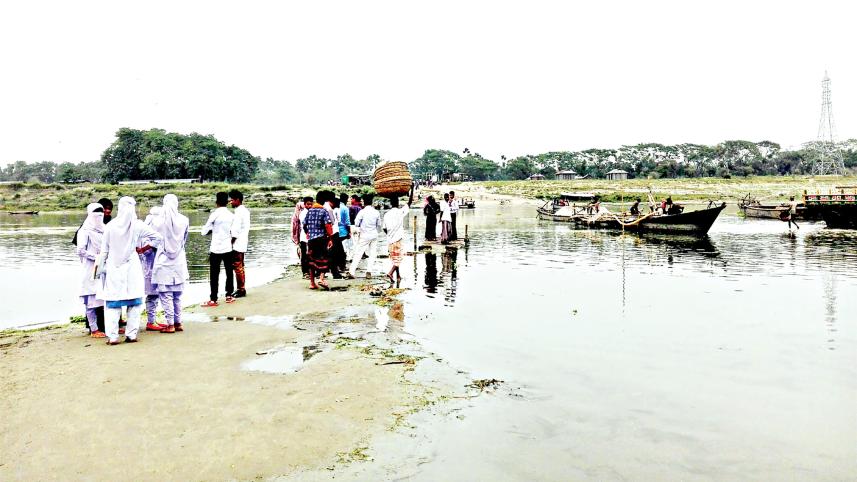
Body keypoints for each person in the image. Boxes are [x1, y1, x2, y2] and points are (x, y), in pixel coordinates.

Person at [97, 197, 162, 345]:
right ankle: (131, 335)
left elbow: (104, 251)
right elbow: (158, 237)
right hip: (132, 265)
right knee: (135, 302)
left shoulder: (110, 226)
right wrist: (143, 249)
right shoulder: (138, 225)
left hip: (114, 266)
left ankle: (113, 337)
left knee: (113, 303)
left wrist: (100, 270)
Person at [151, 194, 190, 333]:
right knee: (177, 295)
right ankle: (178, 322)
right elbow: (184, 239)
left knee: (165, 295)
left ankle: (170, 324)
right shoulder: (184, 220)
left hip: (163, 261)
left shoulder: (157, 221)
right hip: (179, 260)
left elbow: (154, 241)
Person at [76, 203, 107, 338]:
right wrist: (96, 257)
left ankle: (105, 326)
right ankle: (93, 329)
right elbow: (81, 250)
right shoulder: (84, 231)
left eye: (101, 214)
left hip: (103, 267)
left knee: (103, 297)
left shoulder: (105, 229)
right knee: (91, 298)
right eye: (96, 213)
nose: (98, 217)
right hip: (91, 267)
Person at [201, 192, 235, 306]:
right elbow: (234, 232)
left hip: (215, 248)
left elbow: (204, 232)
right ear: (227, 202)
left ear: (216, 203)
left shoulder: (214, 215)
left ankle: (213, 299)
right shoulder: (231, 215)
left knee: (214, 274)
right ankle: (229, 295)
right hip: (228, 247)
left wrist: (212, 230)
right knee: (229, 272)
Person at [141, 206, 166, 332]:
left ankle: (153, 319)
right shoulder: (146, 232)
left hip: (156, 267)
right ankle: (151, 321)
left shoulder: (151, 229)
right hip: (149, 267)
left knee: (155, 295)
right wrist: (153, 247)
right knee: (152, 295)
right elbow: (145, 251)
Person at [303, 192, 334, 290]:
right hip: (321, 238)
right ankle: (321, 278)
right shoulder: (323, 211)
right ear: (324, 201)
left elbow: (304, 224)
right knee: (324, 258)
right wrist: (330, 238)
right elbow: (328, 225)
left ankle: (312, 283)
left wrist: (307, 232)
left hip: (311, 239)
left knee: (311, 260)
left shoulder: (310, 210)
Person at [384, 187, 414, 283]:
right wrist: (412, 189)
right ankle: (390, 272)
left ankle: (398, 276)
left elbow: (384, 228)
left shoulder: (386, 214)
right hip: (398, 239)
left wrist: (390, 234)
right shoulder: (400, 212)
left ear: (391, 204)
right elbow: (409, 203)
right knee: (399, 258)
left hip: (390, 240)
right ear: (397, 203)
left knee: (394, 259)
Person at [348, 193, 381, 279]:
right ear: (372, 202)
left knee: (359, 252)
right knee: (372, 253)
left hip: (364, 234)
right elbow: (379, 225)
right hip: (374, 234)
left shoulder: (362, 212)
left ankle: (352, 271)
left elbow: (356, 223)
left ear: (364, 202)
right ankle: (369, 271)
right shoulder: (376, 212)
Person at [229, 189, 250, 298]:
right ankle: (241, 288)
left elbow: (235, 231)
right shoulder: (245, 211)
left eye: (232, 200)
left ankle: (241, 289)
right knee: (240, 265)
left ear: (237, 200)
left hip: (237, 243)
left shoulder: (239, 212)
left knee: (237, 266)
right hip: (243, 242)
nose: (230, 202)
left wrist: (230, 243)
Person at [291, 198, 311, 278]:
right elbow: (304, 225)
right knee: (304, 255)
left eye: (310, 204)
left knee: (309, 254)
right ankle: (305, 272)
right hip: (304, 237)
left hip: (308, 236)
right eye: (308, 204)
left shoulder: (308, 212)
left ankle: (310, 271)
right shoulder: (302, 214)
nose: (309, 206)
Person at [338, 193, 352, 264]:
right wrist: (349, 232)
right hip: (343, 231)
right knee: (343, 248)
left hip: (335, 231)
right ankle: (342, 264)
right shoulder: (345, 208)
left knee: (337, 247)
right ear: (346, 200)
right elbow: (347, 222)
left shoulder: (336, 207)